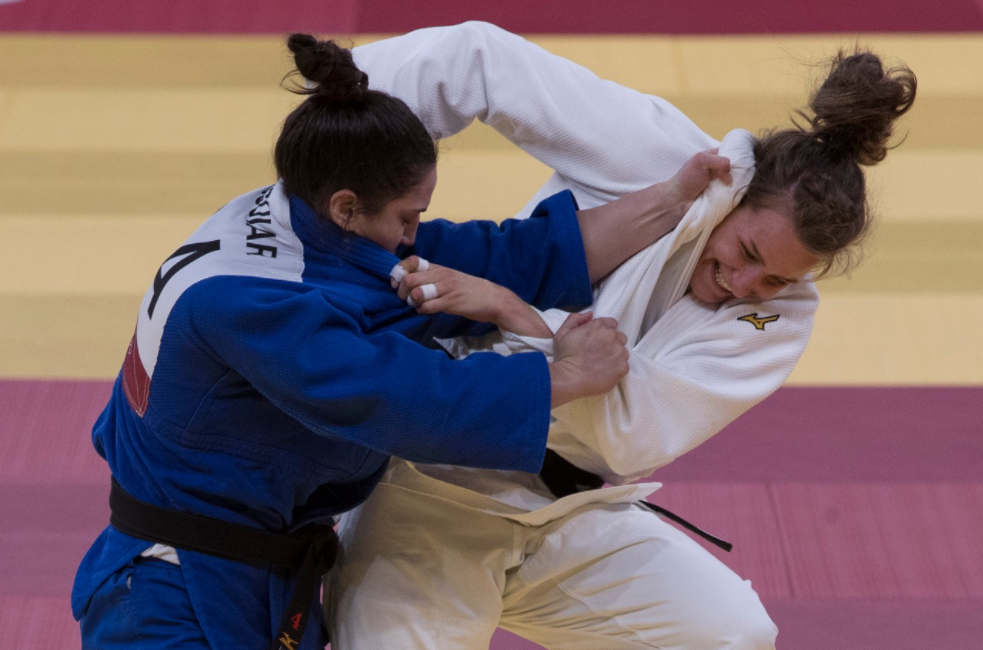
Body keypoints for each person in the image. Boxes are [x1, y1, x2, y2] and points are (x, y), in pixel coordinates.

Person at [70, 33, 730, 650]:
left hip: (253, 563)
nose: (414, 234)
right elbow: (404, 401)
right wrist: (566, 373)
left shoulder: (309, 226)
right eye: (406, 217)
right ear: (347, 206)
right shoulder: (252, 302)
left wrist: (672, 202)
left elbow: (503, 255)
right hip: (171, 586)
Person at [326, 22, 917, 650]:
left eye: (774, 278)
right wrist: (336, 127)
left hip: (564, 512)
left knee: (731, 635)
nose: (744, 283)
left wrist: (515, 313)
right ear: (737, 193)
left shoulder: (779, 320)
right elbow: (479, 60)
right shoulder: (659, 157)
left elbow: (634, 436)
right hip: (438, 481)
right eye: (745, 250)